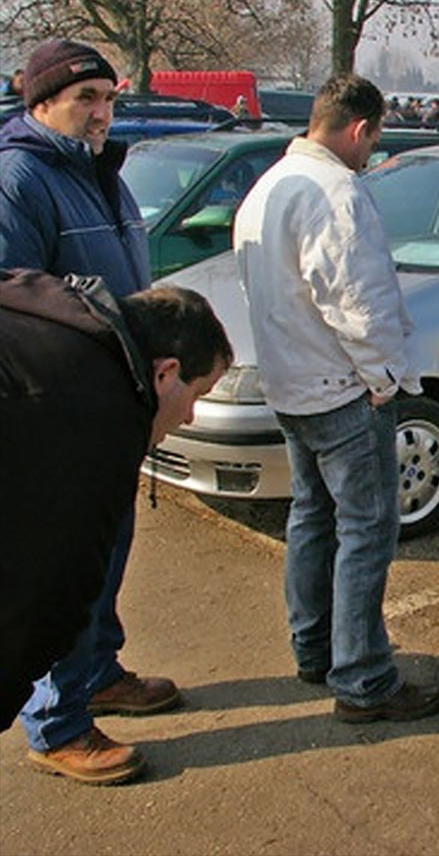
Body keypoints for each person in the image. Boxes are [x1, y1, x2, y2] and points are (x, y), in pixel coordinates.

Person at [0, 38, 184, 784]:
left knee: (107, 557)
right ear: (41, 103)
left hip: (117, 400)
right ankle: (57, 722)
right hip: (65, 412)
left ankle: (96, 671)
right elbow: (12, 296)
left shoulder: (100, 172)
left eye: (109, 98)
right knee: (70, 562)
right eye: (86, 99)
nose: (103, 113)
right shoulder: (22, 175)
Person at [234, 73, 439, 723]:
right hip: (343, 392)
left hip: (293, 387)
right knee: (366, 530)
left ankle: (316, 648)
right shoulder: (336, 194)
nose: (371, 155)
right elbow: (362, 304)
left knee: (314, 517)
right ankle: (363, 679)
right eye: (372, 142)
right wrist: (384, 380)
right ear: (359, 128)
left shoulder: (266, 188)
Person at [0, 271, 232, 750]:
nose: (189, 417)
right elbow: (52, 591)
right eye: (197, 396)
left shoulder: (61, 308)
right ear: (166, 372)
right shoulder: (101, 414)